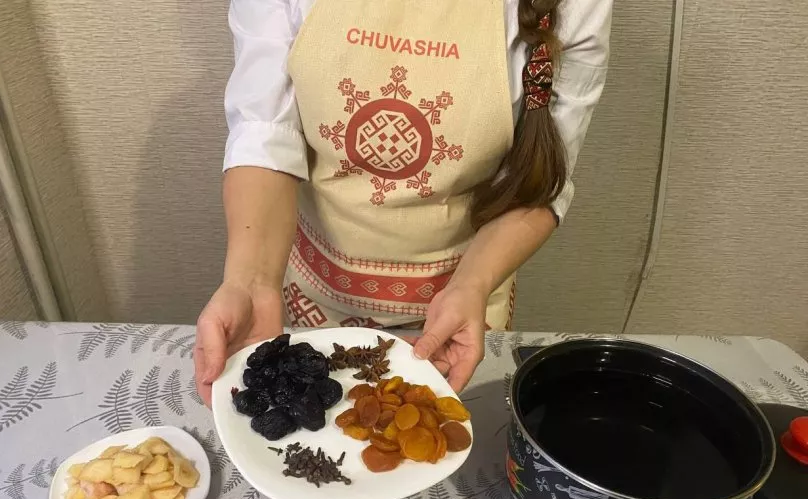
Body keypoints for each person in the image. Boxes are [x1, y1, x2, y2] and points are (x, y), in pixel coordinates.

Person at [194, 0, 612, 404]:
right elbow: (265, 133)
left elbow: (542, 176)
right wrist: (250, 282)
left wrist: (471, 284)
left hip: (462, 306)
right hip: (313, 300)